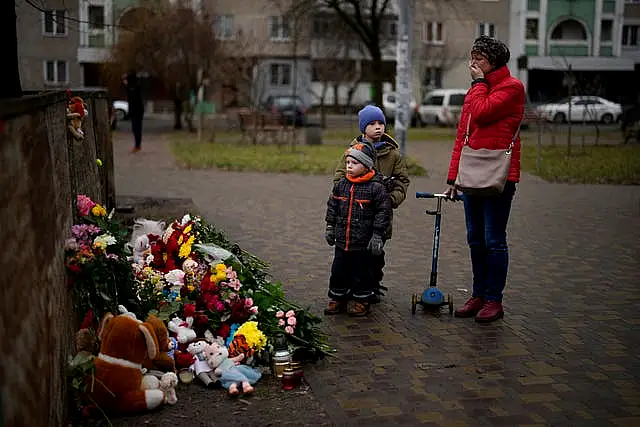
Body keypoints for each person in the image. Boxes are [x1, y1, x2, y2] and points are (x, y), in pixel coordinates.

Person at [444, 35, 525, 323]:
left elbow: (482, 113)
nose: (473, 63)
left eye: (479, 58)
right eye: (472, 57)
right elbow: (462, 137)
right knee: (475, 238)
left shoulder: (512, 88)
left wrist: (478, 84)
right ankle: (478, 294)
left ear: (494, 62)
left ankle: (494, 299)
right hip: (472, 172)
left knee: (494, 239)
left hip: (499, 175)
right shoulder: (477, 90)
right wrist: (453, 177)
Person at [333, 105, 410, 299]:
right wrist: (346, 197)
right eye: (372, 123)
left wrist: (390, 199)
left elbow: (402, 181)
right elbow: (340, 177)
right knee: (350, 255)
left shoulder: (392, 154)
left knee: (374, 255)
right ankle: (351, 288)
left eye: (381, 123)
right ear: (363, 127)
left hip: (379, 217)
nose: (378, 127)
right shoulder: (351, 151)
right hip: (354, 215)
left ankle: (372, 287)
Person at [324, 143, 391, 317]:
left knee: (361, 272)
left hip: (362, 242)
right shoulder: (341, 185)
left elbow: (383, 212)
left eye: (354, 163)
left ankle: (361, 300)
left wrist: (377, 235)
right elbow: (332, 206)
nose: (349, 167)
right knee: (339, 270)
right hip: (342, 239)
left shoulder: (375, 188)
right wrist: (330, 227)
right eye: (347, 163)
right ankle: (338, 297)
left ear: (367, 165)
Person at [122, 71, 145, 153]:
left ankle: (137, 146)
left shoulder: (132, 88)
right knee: (136, 128)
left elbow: (133, 101)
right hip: (137, 111)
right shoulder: (133, 87)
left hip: (137, 111)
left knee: (136, 128)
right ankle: (137, 145)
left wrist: (130, 112)